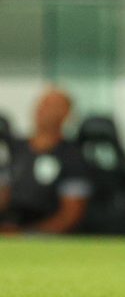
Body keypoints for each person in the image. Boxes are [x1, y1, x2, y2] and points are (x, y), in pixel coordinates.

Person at [0, 88, 90, 233]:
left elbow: (71, 213)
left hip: (44, 235)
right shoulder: (15, 150)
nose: (44, 111)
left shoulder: (72, 157)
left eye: (52, 106)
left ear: (66, 114)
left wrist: (29, 234)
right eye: (42, 104)